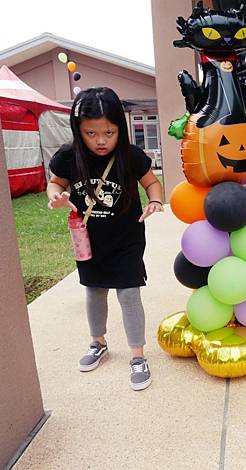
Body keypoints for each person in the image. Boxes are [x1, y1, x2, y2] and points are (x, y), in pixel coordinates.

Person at [47, 87, 164, 391]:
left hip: (126, 239)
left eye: (109, 132)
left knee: (128, 294)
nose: (100, 140)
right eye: (91, 133)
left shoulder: (131, 156)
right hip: (90, 240)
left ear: (119, 129)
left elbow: (152, 183)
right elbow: (55, 183)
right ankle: (98, 342)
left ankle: (137, 355)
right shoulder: (69, 157)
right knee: (94, 291)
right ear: (79, 129)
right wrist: (56, 197)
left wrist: (155, 201)